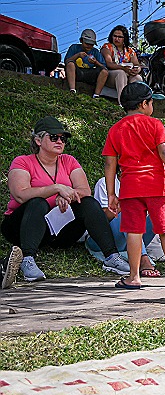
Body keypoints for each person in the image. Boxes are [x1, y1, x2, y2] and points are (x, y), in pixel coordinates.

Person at [1, 116, 130, 282]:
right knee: (37, 203)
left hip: (58, 227)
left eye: (63, 138)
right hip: (22, 227)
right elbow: (20, 194)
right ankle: (27, 260)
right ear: (38, 140)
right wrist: (56, 189)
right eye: (54, 137)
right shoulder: (23, 162)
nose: (60, 141)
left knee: (88, 203)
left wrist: (65, 196)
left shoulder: (69, 161)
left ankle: (112, 256)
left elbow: (84, 191)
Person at [103, 82, 165, 289]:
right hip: (157, 186)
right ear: (144, 104)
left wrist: (112, 193)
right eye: (151, 102)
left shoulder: (115, 130)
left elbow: (109, 163)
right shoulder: (155, 124)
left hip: (130, 188)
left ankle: (134, 276)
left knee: (134, 231)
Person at [87, 176, 165, 277]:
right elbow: (100, 220)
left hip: (132, 238)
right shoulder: (105, 183)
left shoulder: (145, 183)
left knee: (162, 213)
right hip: (106, 238)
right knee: (130, 212)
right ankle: (143, 260)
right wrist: (125, 203)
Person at [101, 25, 142, 102]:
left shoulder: (130, 51)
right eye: (115, 36)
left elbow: (137, 64)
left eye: (119, 37)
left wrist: (137, 70)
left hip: (127, 75)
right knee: (121, 73)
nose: (116, 39)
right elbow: (109, 63)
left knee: (137, 78)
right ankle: (122, 103)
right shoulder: (107, 47)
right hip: (110, 75)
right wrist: (123, 68)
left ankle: (135, 104)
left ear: (124, 38)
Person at [64, 29, 108, 98]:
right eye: (87, 43)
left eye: (91, 44)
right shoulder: (74, 47)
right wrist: (77, 55)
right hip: (77, 72)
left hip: (89, 74)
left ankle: (96, 95)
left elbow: (104, 67)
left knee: (104, 72)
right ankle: (72, 89)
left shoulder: (95, 52)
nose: (89, 46)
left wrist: (96, 62)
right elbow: (67, 62)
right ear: (81, 41)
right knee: (70, 64)